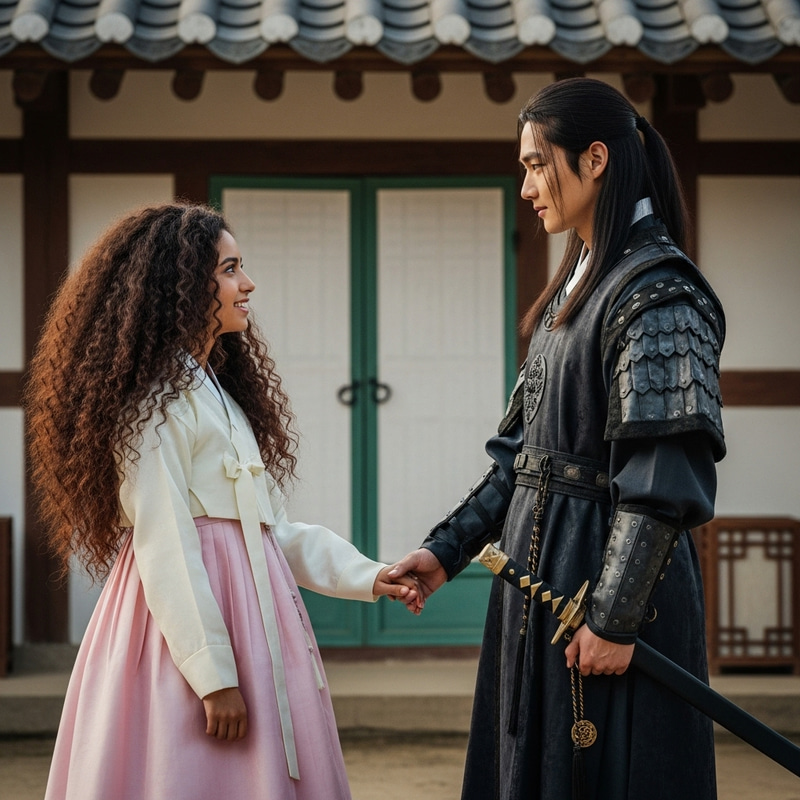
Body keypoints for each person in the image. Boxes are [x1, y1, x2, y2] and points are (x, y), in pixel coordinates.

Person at [390, 77, 725, 800]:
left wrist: (613, 616)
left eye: (536, 164)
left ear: (595, 159)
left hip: (615, 600)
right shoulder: (572, 294)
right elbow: (521, 460)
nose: (526, 187)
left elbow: (662, 475)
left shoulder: (660, 293)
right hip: (540, 591)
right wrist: (445, 551)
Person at [26, 203, 417, 799]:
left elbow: (272, 533)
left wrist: (371, 575)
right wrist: (212, 678)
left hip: (253, 619)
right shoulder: (152, 405)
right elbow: (166, 544)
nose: (247, 284)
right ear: (179, 287)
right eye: (231, 269)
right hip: (186, 637)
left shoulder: (218, 395)